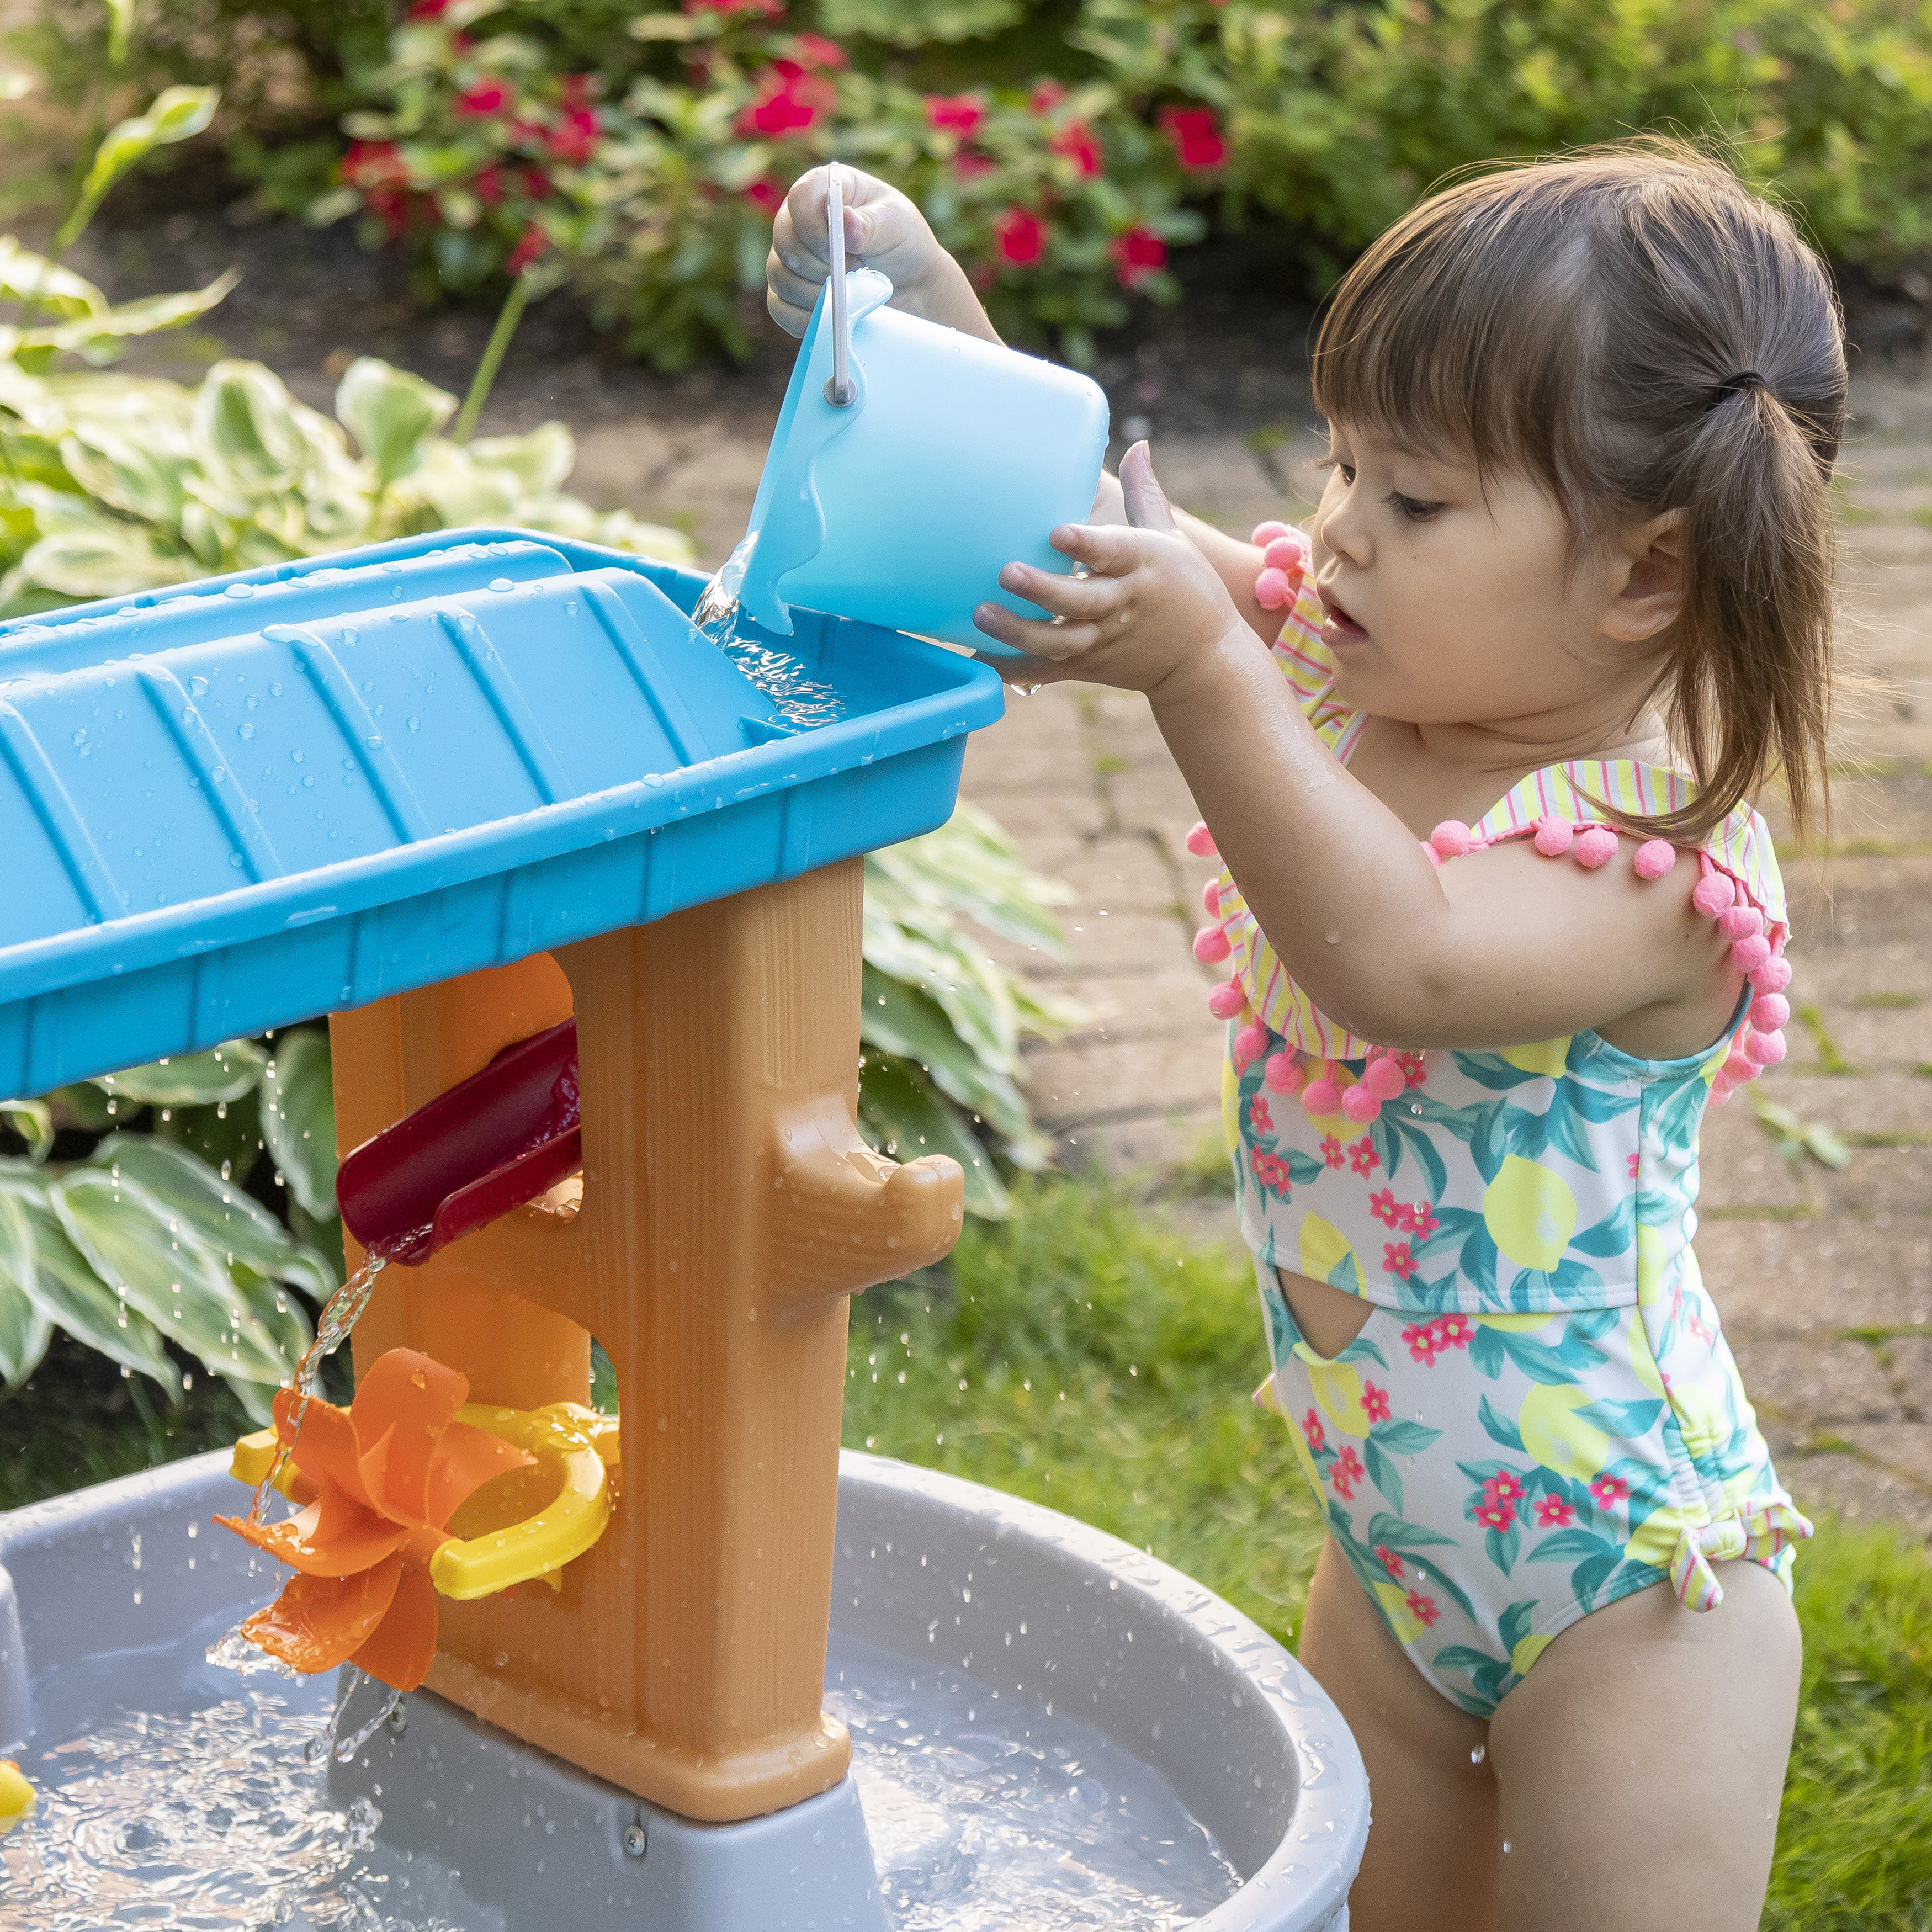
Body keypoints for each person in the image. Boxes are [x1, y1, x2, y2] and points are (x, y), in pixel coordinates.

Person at [767, 142, 1841, 1930]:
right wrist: (916, 298)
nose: (1336, 526)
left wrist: (1201, 667)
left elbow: (1395, 959)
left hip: (1630, 1592)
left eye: (1410, 499)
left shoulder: (1655, 856)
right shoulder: (1355, 665)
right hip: (1393, 1553)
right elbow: (1084, 534)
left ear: (1645, 574)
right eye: (1342, 463)